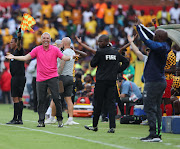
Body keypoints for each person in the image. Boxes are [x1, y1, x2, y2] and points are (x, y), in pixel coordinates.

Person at [5, 32, 78, 127]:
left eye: (47, 38)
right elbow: (26, 57)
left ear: (50, 40)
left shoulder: (55, 49)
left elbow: (63, 57)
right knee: (41, 100)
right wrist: (13, 57)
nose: (46, 40)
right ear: (41, 39)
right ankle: (41, 121)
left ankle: (60, 120)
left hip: (53, 77)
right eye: (44, 38)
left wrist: (72, 57)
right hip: (40, 79)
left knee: (57, 98)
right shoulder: (37, 49)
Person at [76, 35, 129, 133]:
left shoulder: (100, 52)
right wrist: (117, 70)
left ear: (106, 42)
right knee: (111, 104)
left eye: (101, 42)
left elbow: (92, 64)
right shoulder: (115, 53)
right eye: (98, 41)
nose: (99, 43)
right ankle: (112, 127)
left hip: (101, 81)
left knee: (98, 103)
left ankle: (95, 126)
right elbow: (126, 62)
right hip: (112, 81)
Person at [136, 20, 170, 142]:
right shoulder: (163, 45)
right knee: (156, 108)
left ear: (159, 37)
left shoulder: (161, 47)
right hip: (158, 81)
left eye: (156, 34)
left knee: (150, 107)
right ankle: (157, 134)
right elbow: (151, 35)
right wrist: (141, 26)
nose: (153, 35)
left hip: (154, 82)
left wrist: (139, 29)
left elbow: (147, 40)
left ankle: (153, 134)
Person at [6, 31, 26, 125]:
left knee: (15, 98)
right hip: (20, 77)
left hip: (17, 78)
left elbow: (19, 46)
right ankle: (19, 119)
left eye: (11, 42)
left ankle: (15, 119)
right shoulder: (13, 53)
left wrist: (19, 38)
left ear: (15, 43)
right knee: (19, 98)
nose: (10, 44)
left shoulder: (18, 51)